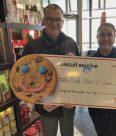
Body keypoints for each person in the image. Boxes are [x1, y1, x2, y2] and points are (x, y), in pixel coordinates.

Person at [22, 4, 79, 136]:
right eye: (50, 19)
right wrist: (40, 104)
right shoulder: (32, 47)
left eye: (58, 19)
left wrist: (75, 64)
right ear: (43, 21)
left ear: (62, 22)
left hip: (67, 105)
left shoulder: (71, 43)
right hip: (46, 106)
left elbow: (78, 75)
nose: (54, 23)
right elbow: (24, 79)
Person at [88, 22, 116, 136]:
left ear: (114, 36)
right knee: (101, 133)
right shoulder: (90, 61)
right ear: (97, 37)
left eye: (109, 35)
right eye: (102, 35)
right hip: (98, 110)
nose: (105, 38)